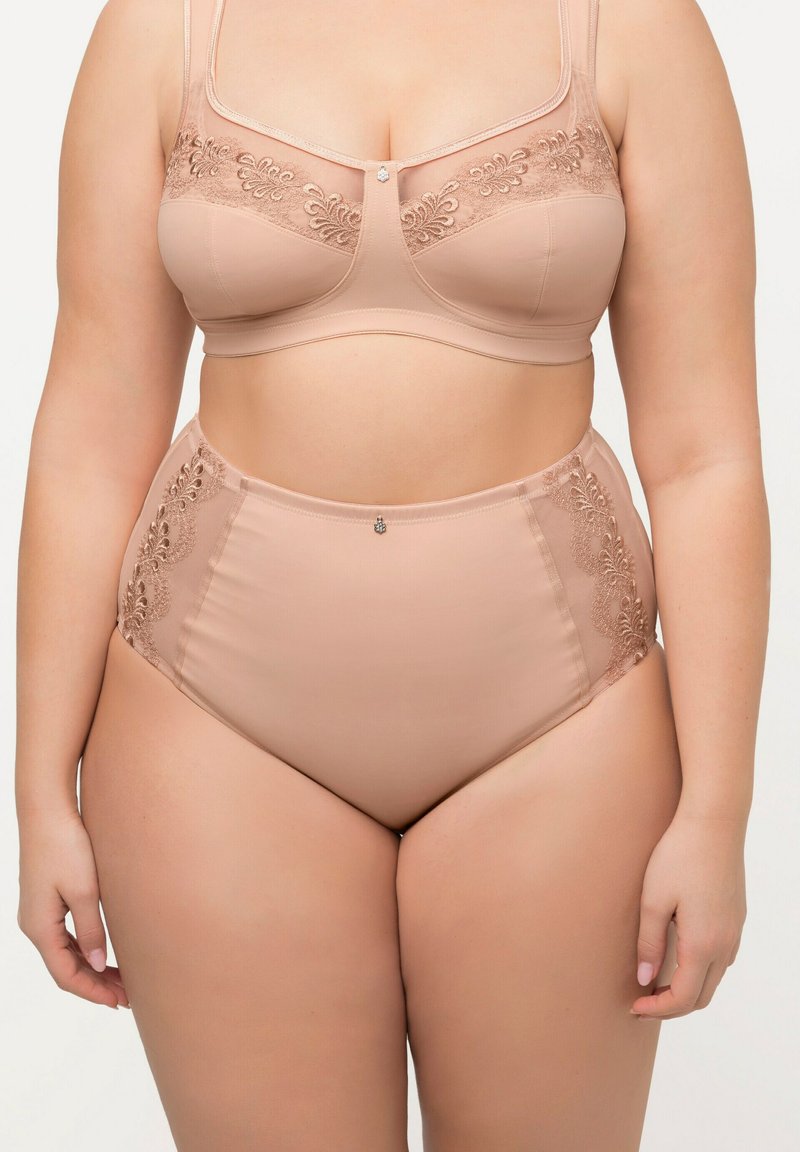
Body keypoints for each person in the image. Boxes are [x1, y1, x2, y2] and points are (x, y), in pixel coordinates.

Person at [15, 0, 768, 1148]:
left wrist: (716, 810)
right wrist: (37, 788)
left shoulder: (633, 25)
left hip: (559, 723)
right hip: (211, 721)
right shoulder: (160, 26)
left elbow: (705, 454)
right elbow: (89, 431)